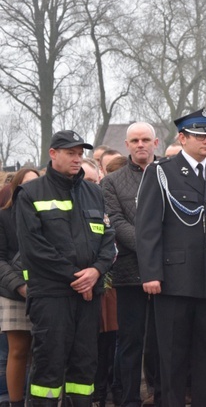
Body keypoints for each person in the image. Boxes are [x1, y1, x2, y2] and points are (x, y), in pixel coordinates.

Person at [135, 108, 206, 407]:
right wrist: (151, 272)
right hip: (174, 280)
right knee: (173, 356)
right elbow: (148, 227)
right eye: (200, 136)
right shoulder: (162, 171)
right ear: (182, 137)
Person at [14, 130, 116, 407]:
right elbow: (34, 249)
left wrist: (95, 271)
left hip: (88, 296)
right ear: (53, 154)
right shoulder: (30, 193)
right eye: (70, 153)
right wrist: (78, 278)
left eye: (80, 153)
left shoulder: (94, 192)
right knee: (48, 366)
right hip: (52, 296)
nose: (76, 158)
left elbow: (108, 239)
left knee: (84, 368)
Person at [101, 122, 161, 407]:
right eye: (135, 140)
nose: (141, 144)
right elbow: (115, 222)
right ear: (127, 145)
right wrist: (150, 247)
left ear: (156, 143)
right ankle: (128, 399)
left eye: (146, 139)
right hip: (129, 271)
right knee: (130, 342)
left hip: (166, 272)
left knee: (161, 343)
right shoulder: (111, 182)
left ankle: (163, 396)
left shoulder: (169, 175)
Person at [0, 168, 39, 407]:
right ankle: (15, 402)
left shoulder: (48, 215)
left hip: (46, 291)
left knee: (44, 354)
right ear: (16, 186)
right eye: (26, 184)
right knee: (18, 351)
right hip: (12, 292)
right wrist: (19, 286)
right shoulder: (3, 216)